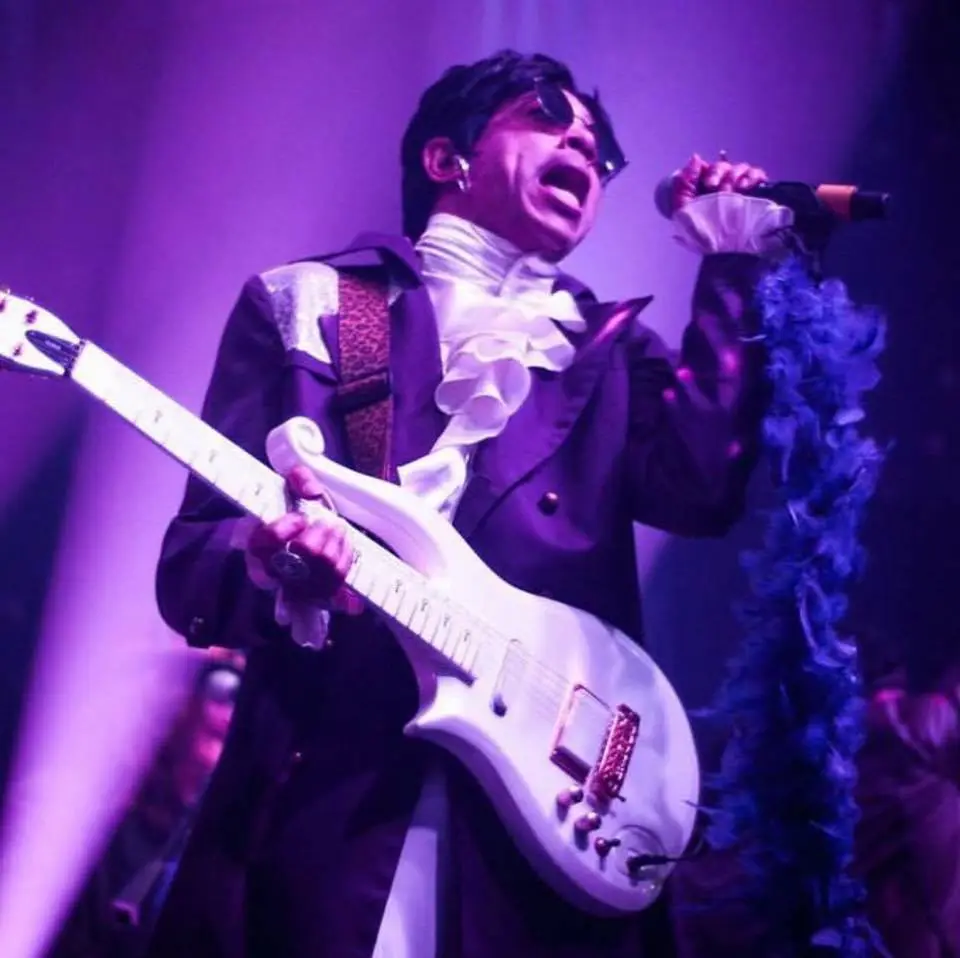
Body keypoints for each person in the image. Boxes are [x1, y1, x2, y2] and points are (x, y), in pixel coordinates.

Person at [145, 49, 788, 958]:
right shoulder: (310, 305)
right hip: (329, 802)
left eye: (598, 148)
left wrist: (731, 264)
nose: (583, 144)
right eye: (547, 113)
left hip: (543, 825)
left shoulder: (606, 350)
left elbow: (704, 490)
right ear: (447, 159)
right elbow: (191, 568)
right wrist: (269, 560)